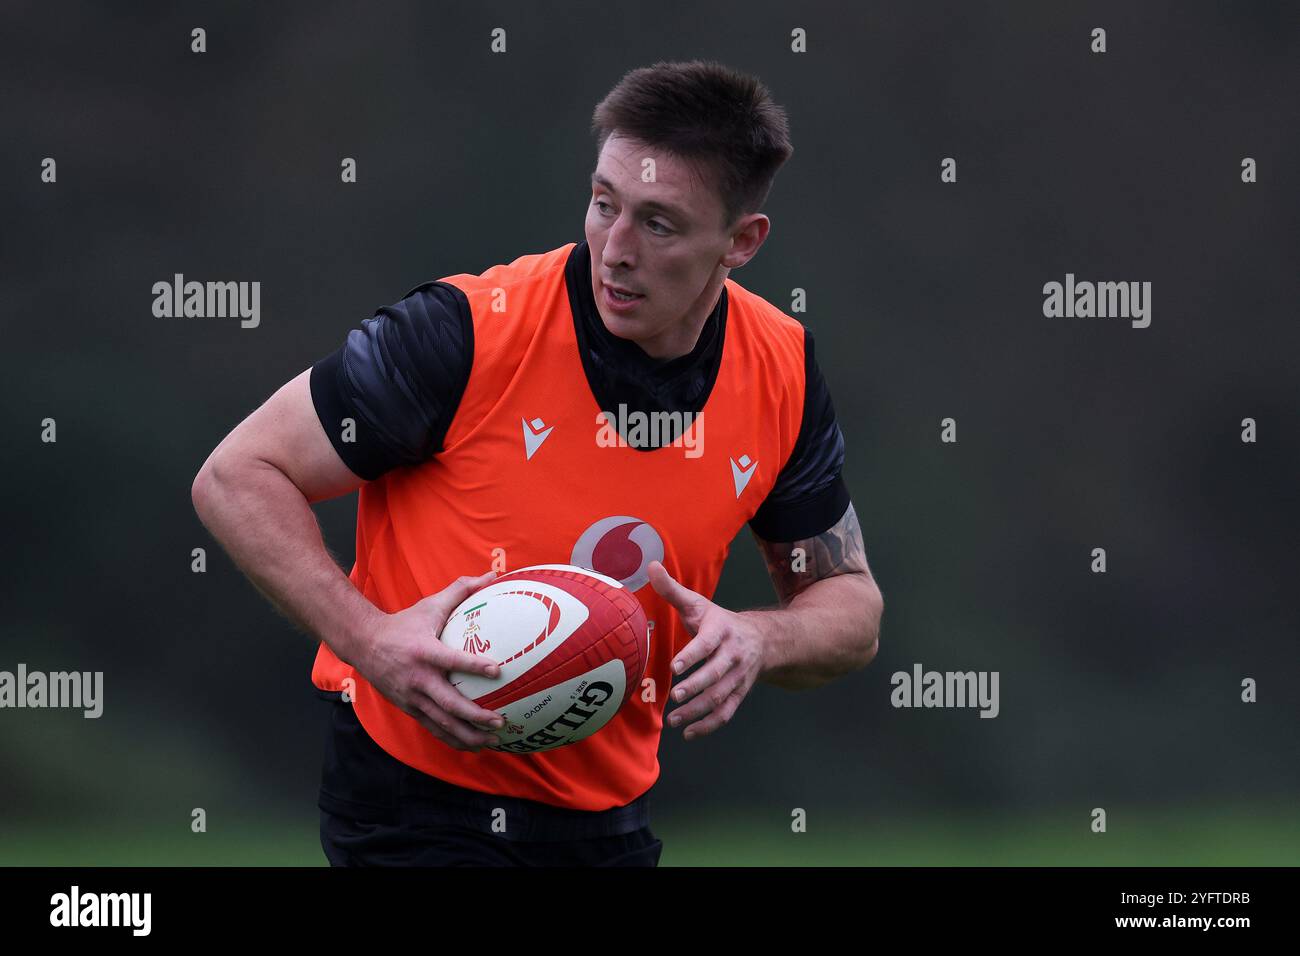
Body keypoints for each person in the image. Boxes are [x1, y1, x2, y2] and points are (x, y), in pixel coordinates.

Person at [191, 59, 884, 867]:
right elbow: (238, 475)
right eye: (603, 204)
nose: (614, 249)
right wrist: (368, 640)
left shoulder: (781, 369)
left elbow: (850, 606)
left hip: (607, 820)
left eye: (658, 224)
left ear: (742, 241)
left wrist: (760, 640)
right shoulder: (462, 333)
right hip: (412, 806)